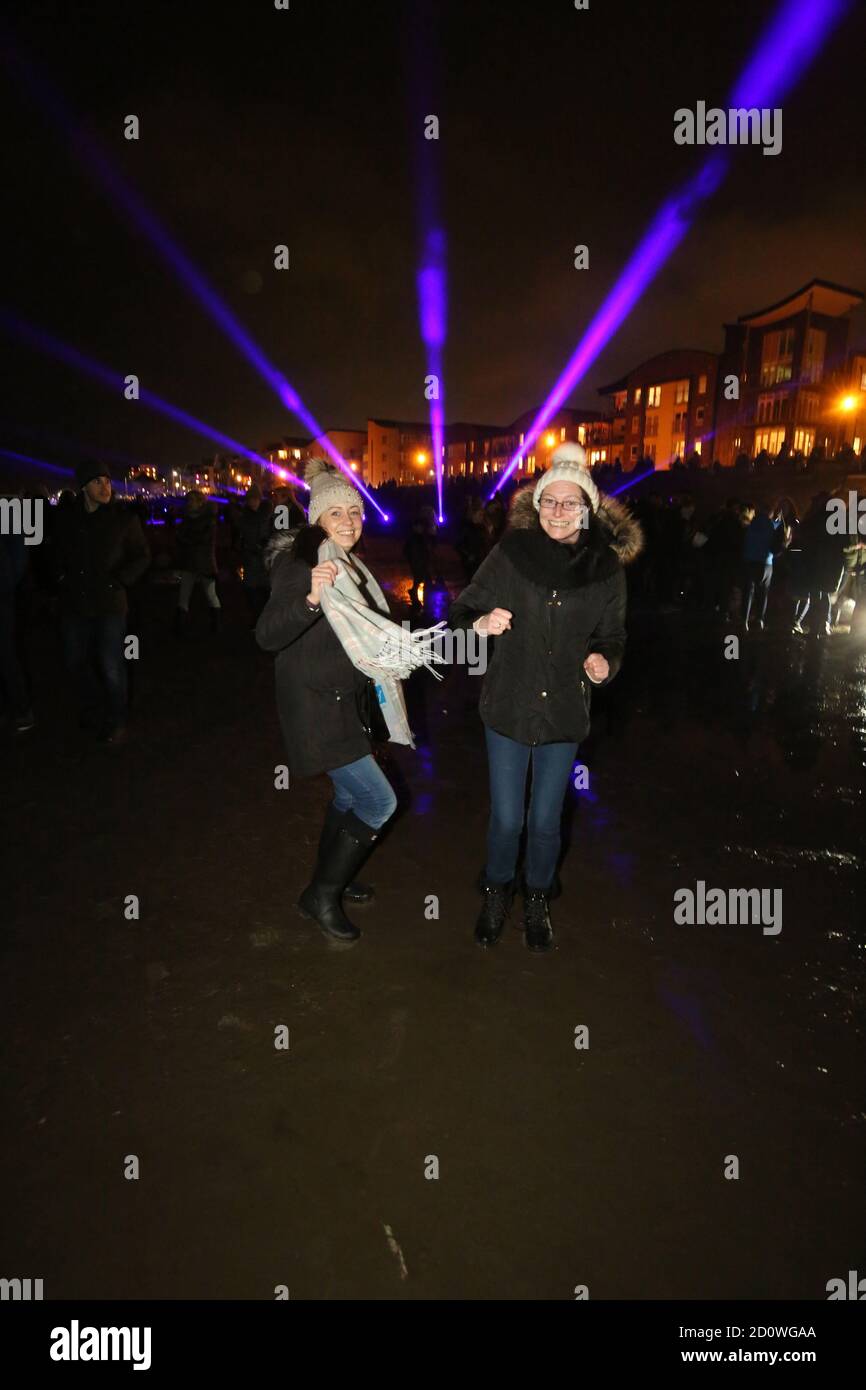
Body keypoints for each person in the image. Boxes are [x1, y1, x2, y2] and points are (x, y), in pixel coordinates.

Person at [450, 442, 643, 952]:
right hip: (508, 705)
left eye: (569, 502)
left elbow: (614, 636)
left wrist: (605, 662)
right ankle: (496, 893)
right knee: (508, 818)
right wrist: (481, 622)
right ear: (537, 506)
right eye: (549, 501)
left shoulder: (606, 568)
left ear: (587, 508)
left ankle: (537, 898)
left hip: (563, 710)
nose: (558, 511)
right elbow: (461, 609)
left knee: (544, 821)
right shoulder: (510, 553)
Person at [256, 459, 404, 944]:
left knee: (347, 797)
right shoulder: (303, 565)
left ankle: (331, 878)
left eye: (355, 513)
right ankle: (320, 895)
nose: (348, 522)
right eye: (335, 513)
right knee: (379, 801)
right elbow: (267, 635)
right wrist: (310, 601)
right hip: (317, 708)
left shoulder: (352, 565)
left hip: (343, 701)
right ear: (316, 519)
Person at [51, 460, 150, 744]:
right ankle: (93, 707)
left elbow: (142, 555)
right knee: (74, 661)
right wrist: (60, 579)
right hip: (75, 603)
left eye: (107, 481)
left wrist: (119, 580)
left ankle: (117, 718)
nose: (105, 487)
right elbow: (54, 551)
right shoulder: (67, 519)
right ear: (84, 487)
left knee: (111, 664)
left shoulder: (123, 519)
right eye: (98, 482)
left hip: (110, 604)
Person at [174, 490, 221, 632]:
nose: (189, 503)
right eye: (188, 500)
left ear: (200, 502)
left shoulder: (208, 520)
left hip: (204, 561)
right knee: (184, 595)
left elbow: (202, 540)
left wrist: (184, 539)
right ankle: (180, 626)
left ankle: (216, 625)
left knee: (210, 594)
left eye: (192, 500)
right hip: (191, 561)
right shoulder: (189, 519)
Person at [741, 501, 784, 631]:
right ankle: (759, 620)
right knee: (763, 594)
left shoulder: (750, 525)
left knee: (748, 592)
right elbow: (775, 546)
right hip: (767, 563)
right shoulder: (772, 526)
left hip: (750, 561)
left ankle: (744, 621)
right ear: (770, 512)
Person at [234, 484, 272, 624]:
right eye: (250, 499)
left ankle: (265, 618)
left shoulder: (269, 514)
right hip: (250, 556)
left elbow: (275, 532)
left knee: (265, 589)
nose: (252, 502)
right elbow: (240, 534)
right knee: (250, 588)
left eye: (255, 499)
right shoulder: (244, 516)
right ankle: (257, 617)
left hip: (265, 556)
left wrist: (265, 543)